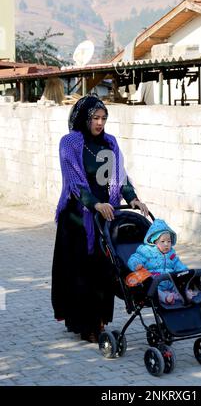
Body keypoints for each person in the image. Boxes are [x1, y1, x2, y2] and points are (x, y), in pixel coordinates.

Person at [51, 94, 148, 342]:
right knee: (81, 272)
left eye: (103, 118)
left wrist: (133, 197)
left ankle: (100, 321)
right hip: (77, 219)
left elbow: (119, 177)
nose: (99, 123)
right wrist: (95, 204)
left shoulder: (110, 143)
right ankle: (85, 325)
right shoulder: (70, 143)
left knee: (105, 269)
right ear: (84, 118)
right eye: (95, 117)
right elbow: (75, 183)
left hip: (106, 216)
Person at [127, 219, 201, 305]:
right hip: (155, 282)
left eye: (169, 241)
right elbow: (134, 258)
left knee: (180, 286)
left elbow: (178, 264)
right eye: (163, 241)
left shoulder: (171, 254)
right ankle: (165, 298)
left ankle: (185, 294)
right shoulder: (146, 251)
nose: (166, 244)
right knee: (155, 291)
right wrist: (136, 264)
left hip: (170, 281)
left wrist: (185, 272)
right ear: (155, 241)